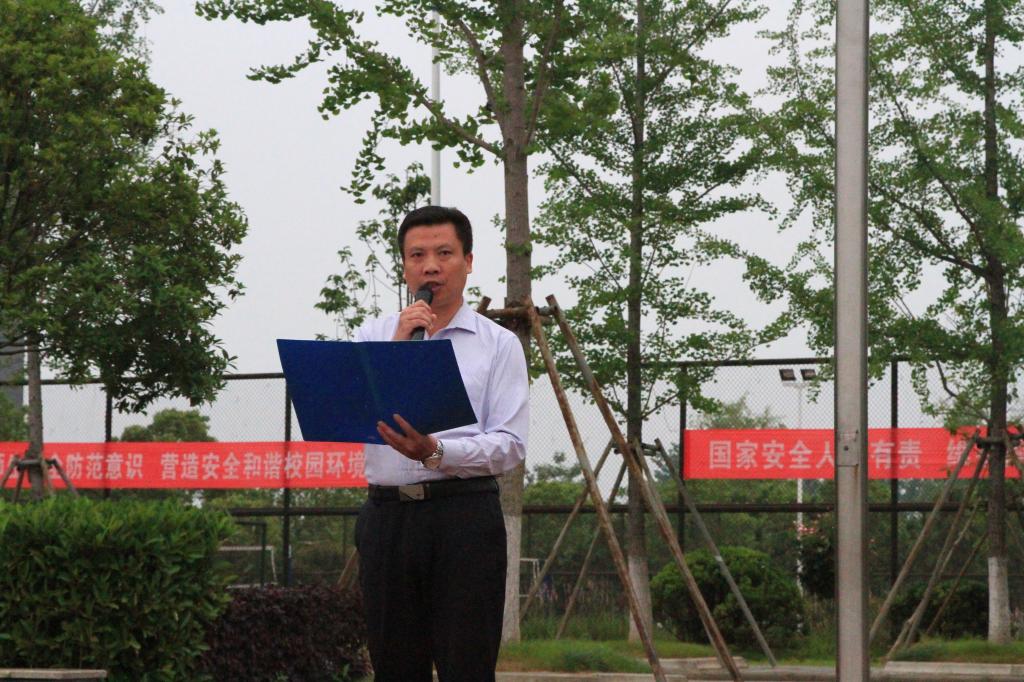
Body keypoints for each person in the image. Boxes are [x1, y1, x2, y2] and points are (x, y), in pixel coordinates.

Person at [353, 205, 529, 681]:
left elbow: (510, 444)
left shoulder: (498, 344)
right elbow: (358, 413)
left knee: (466, 665)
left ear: (468, 262)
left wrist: (435, 452)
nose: (430, 266)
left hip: (463, 518)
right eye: (417, 255)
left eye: (444, 253)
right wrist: (398, 343)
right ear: (405, 267)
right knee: (393, 665)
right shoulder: (372, 336)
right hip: (386, 519)